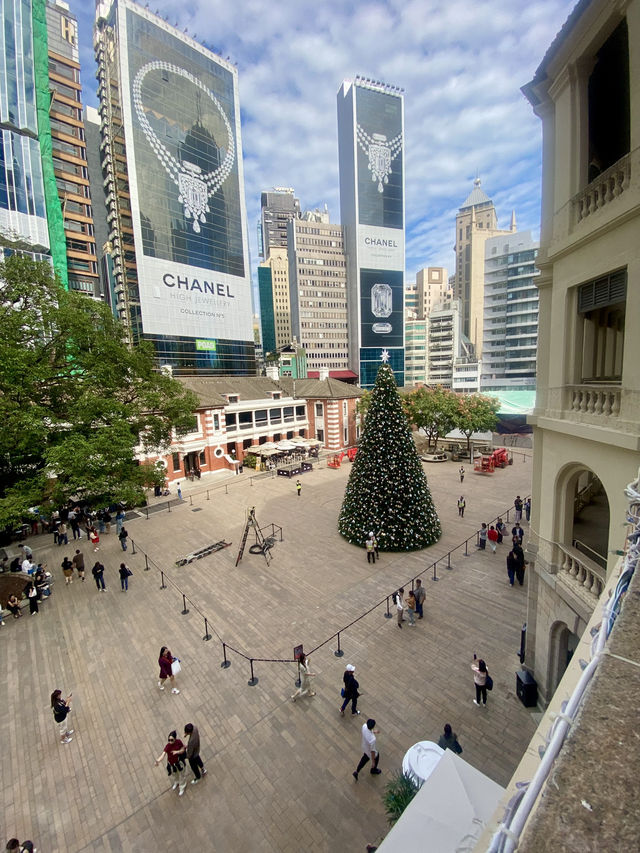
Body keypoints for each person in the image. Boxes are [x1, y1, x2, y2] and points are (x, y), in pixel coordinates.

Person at [155, 730, 187, 796]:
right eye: (169, 740)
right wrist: (158, 761)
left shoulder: (178, 742)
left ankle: (182, 787)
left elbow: (183, 749)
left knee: (181, 775)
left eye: (171, 740)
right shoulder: (168, 746)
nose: (170, 741)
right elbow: (163, 755)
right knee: (174, 774)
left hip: (179, 763)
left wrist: (177, 752)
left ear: (175, 739)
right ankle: (176, 782)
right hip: (172, 764)